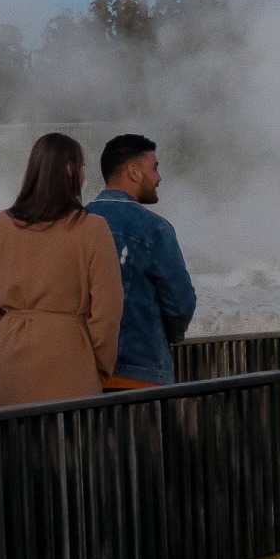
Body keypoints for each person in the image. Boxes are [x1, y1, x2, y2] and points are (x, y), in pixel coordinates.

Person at [0, 131, 124, 405]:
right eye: (81, 166)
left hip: (10, 360)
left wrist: (12, 335)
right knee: (67, 443)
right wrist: (96, 364)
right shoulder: (92, 228)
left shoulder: (3, 224)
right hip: (68, 357)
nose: (83, 174)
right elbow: (108, 309)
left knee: (15, 444)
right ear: (69, 170)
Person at [87, 133, 198, 387]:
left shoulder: (75, 222)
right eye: (155, 168)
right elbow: (181, 304)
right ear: (134, 172)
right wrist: (172, 335)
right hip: (140, 374)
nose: (159, 178)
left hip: (85, 376)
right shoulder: (154, 229)